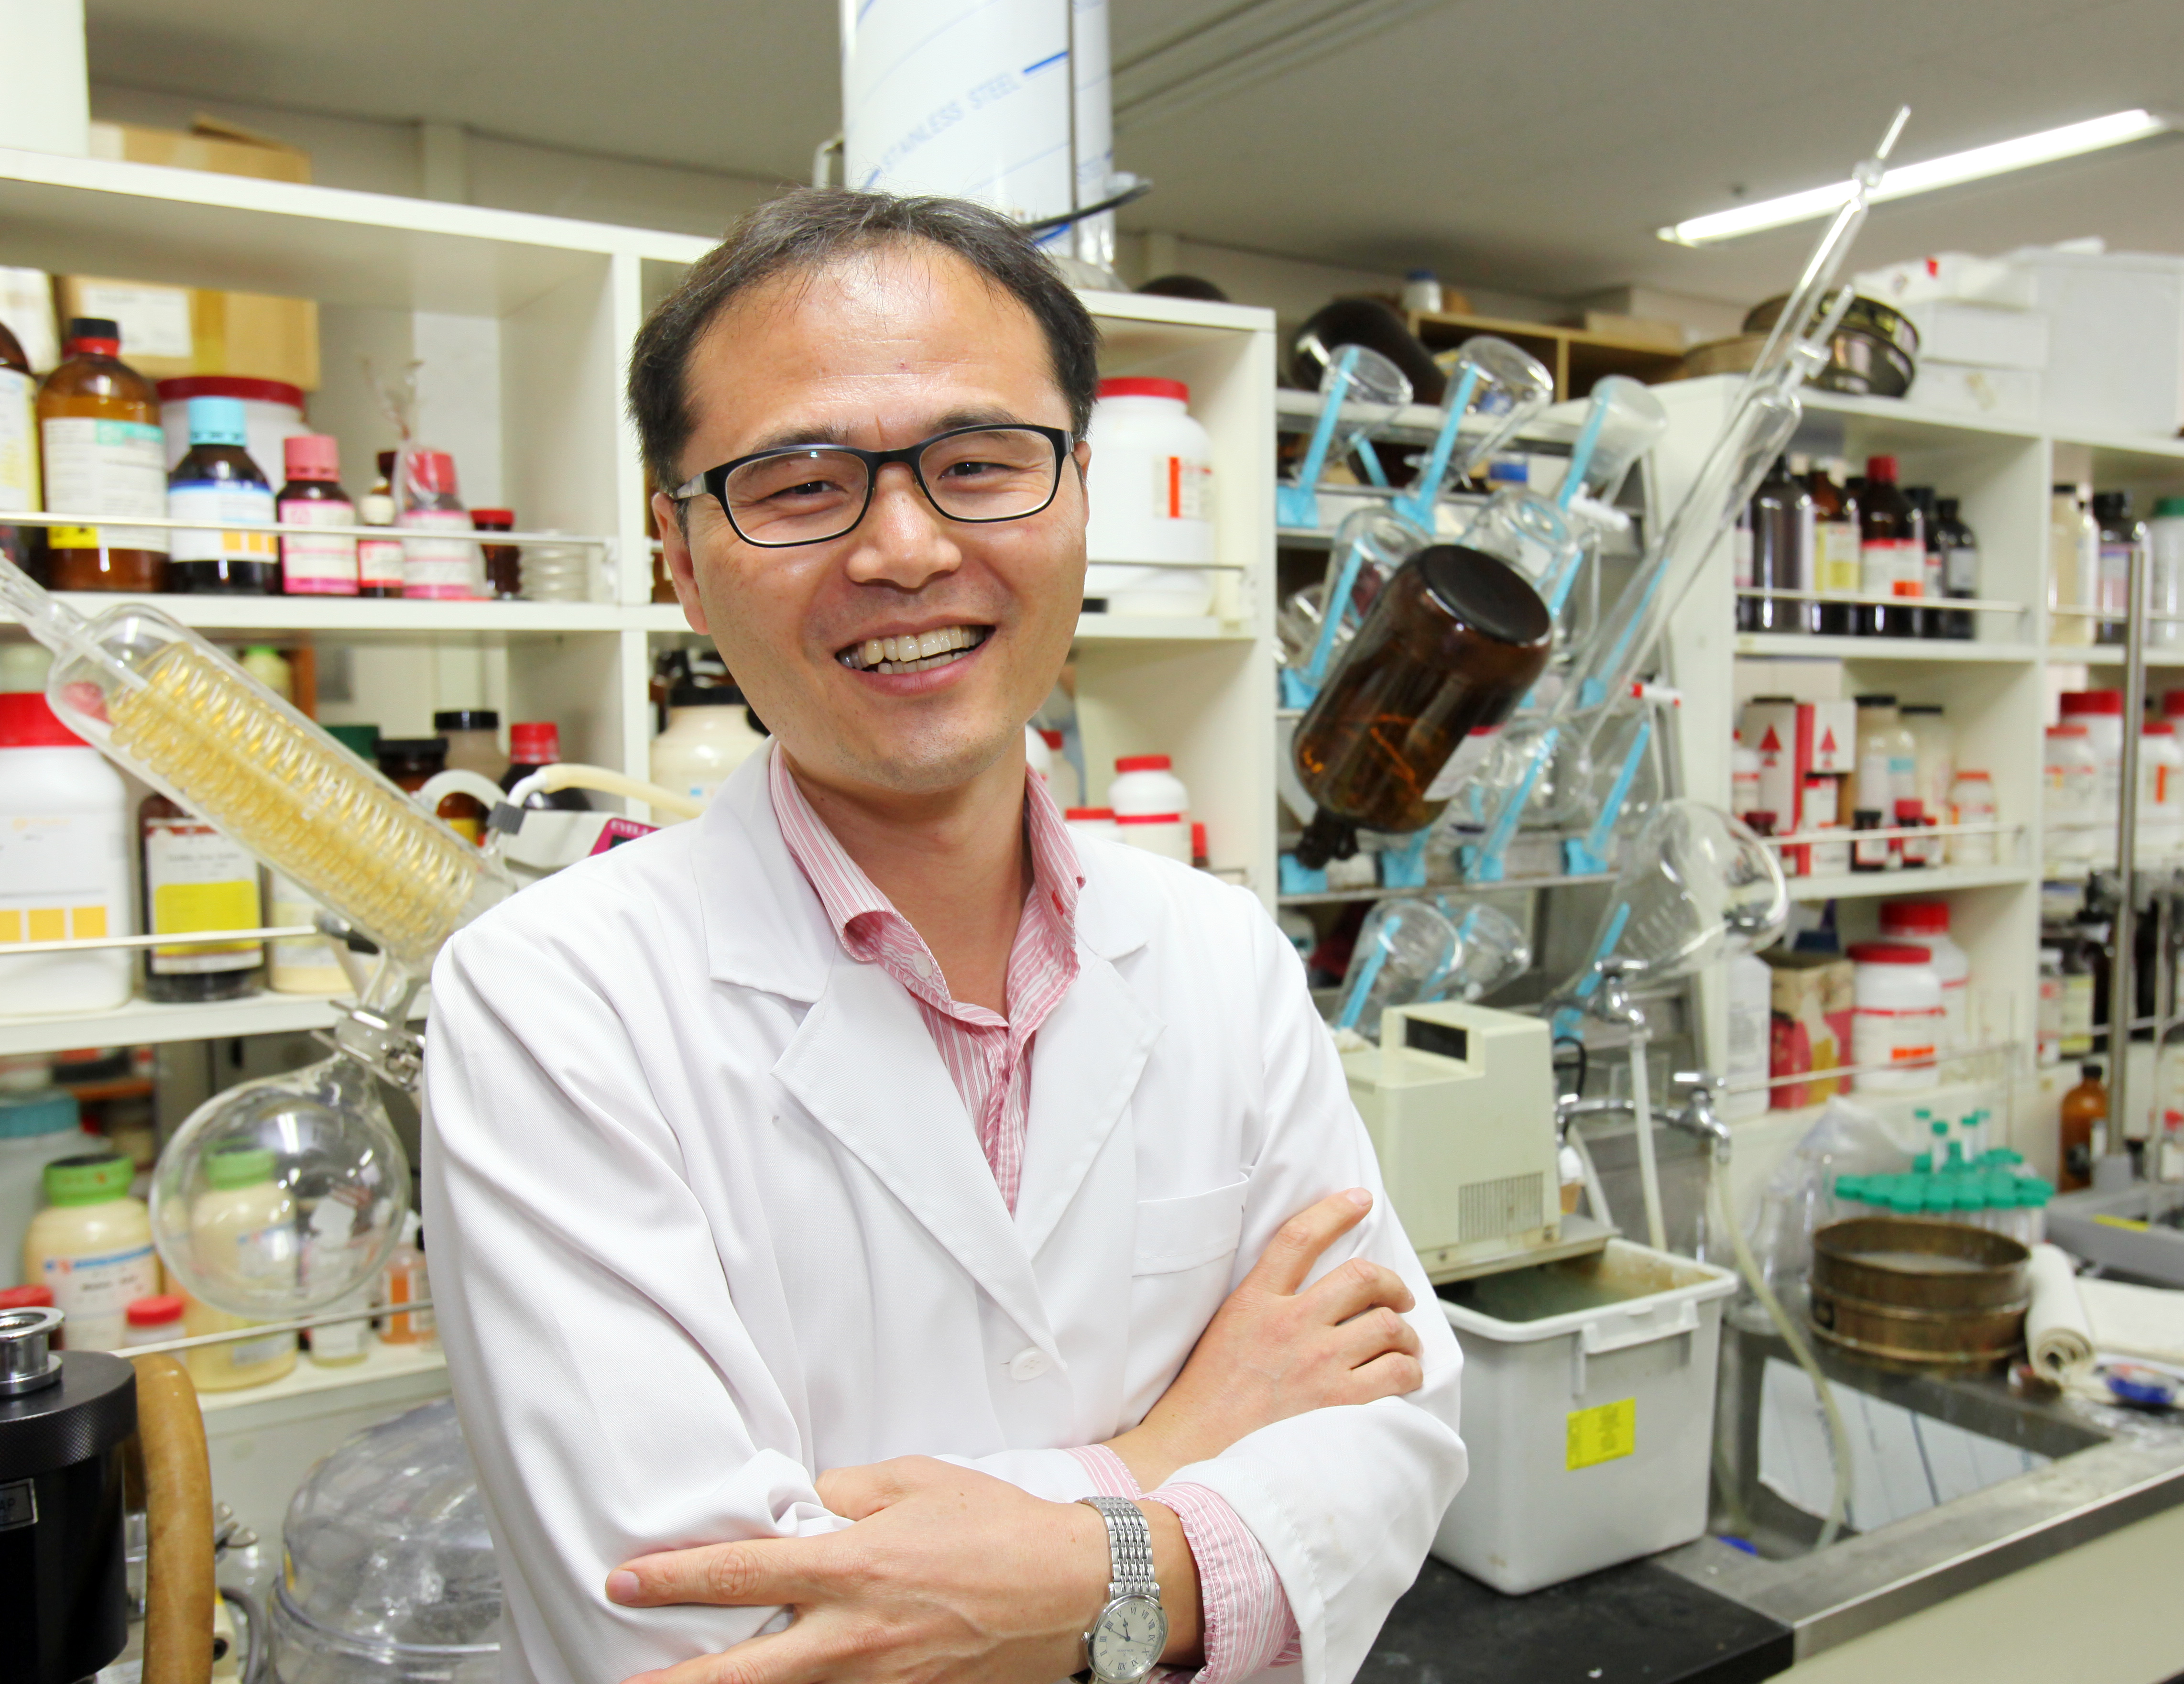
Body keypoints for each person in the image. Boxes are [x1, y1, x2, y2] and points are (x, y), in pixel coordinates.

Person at [421, 188, 1464, 1684]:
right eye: (799, 485)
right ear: (681, 556)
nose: (905, 548)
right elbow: (702, 1635)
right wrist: (1156, 1474)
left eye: (979, 464)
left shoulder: (1220, 954)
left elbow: (1392, 1430)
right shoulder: (550, 1000)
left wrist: (1021, 1582)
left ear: (1081, 494)